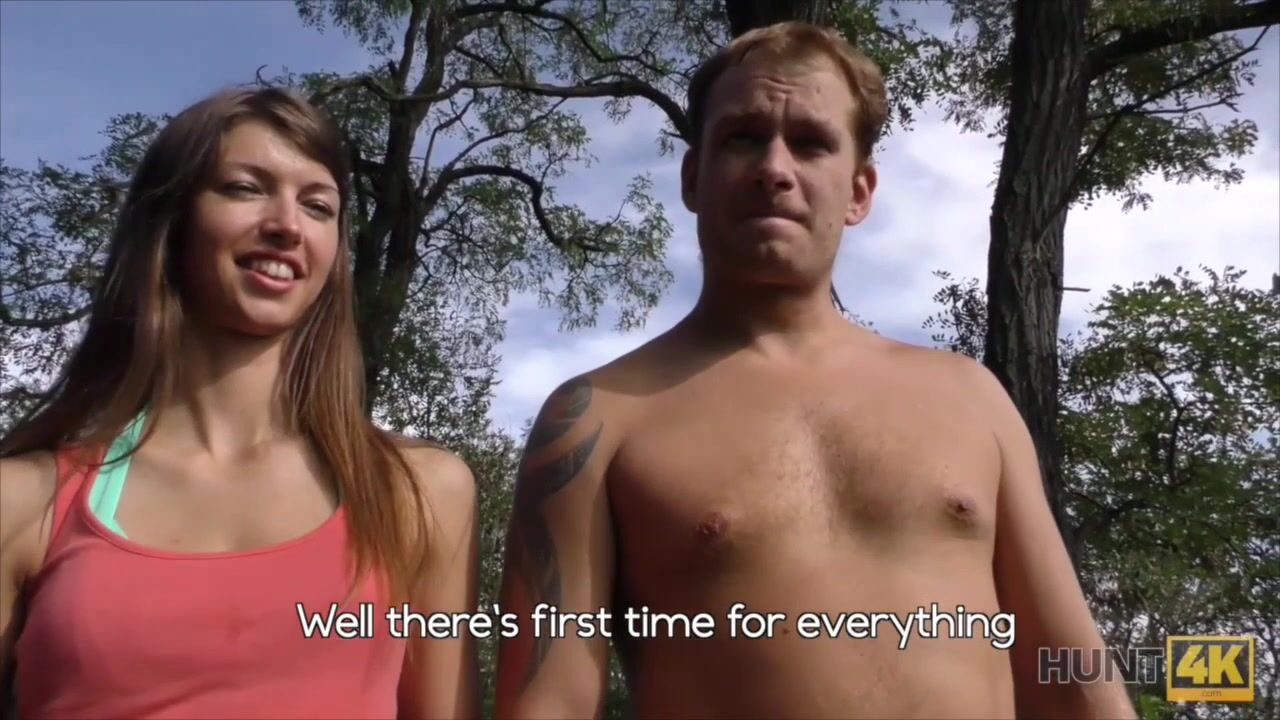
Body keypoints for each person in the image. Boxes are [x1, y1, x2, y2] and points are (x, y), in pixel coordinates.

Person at [493, 22, 1135, 720]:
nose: (775, 168)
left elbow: (1069, 667)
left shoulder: (970, 398)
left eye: (810, 143)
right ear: (692, 177)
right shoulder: (596, 418)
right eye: (743, 137)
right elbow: (549, 702)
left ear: (859, 191)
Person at [0, 87, 479, 719]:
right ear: (171, 222)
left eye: (318, 206)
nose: (287, 225)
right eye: (245, 188)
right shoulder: (24, 503)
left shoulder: (417, 493)